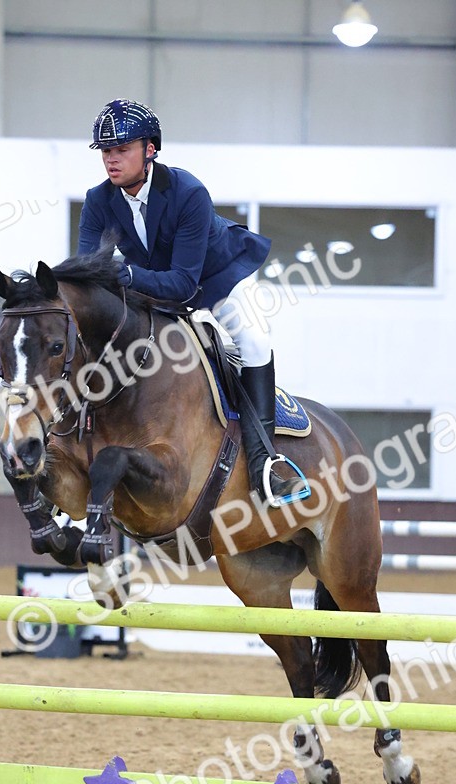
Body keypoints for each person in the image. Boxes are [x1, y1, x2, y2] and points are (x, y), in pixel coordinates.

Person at [78, 98, 308, 506]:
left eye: (122, 150)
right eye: (106, 152)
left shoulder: (187, 192)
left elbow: (185, 284)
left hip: (216, 278)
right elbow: (88, 273)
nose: (112, 161)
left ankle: (264, 465)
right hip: (152, 286)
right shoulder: (98, 200)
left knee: (254, 340)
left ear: (150, 149)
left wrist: (126, 275)